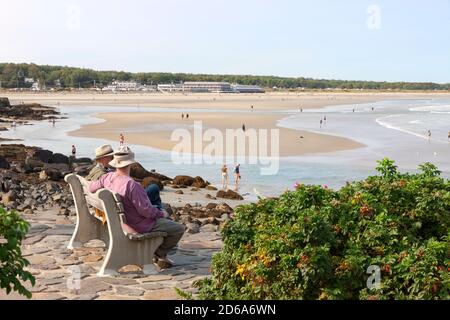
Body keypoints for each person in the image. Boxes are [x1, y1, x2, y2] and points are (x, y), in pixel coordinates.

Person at [89, 151, 185, 268]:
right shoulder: (132, 185)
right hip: (138, 225)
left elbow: (91, 187)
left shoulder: (107, 177)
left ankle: (157, 250)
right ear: (130, 164)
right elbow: (146, 211)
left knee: (158, 208)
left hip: (121, 221)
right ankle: (157, 253)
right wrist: (162, 213)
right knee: (178, 228)